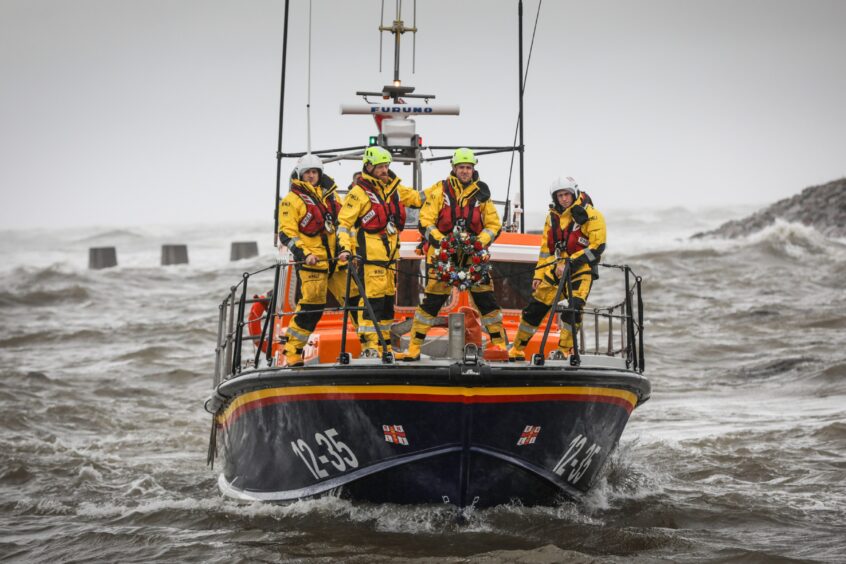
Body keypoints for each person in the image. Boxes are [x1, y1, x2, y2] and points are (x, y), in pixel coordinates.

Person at [398, 147, 506, 361]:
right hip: (442, 257)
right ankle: (413, 348)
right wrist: (443, 241)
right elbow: (426, 221)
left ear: (473, 168)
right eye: (461, 167)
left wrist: (478, 243)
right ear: (454, 168)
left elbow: (494, 225)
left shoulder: (482, 195)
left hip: (473, 258)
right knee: (431, 303)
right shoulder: (440, 191)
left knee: (487, 302)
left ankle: (500, 344)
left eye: (468, 167)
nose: (465, 171)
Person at [336, 146, 423, 357]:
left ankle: (384, 345)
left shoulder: (394, 188)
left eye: (386, 166)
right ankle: (370, 347)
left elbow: (418, 199)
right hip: (370, 259)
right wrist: (345, 249)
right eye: (380, 166)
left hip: (390, 259)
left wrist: (443, 189)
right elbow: (344, 224)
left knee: (385, 305)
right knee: (371, 302)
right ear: (368, 167)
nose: (384, 170)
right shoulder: (358, 194)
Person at [508, 176, 606, 361]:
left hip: (581, 271)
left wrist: (570, 263)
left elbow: (598, 246)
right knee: (534, 308)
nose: (563, 198)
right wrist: (538, 274)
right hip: (557, 269)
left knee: (574, 308)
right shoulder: (552, 218)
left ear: (574, 193)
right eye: (560, 195)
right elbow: (546, 250)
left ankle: (564, 350)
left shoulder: (592, 215)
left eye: (566, 194)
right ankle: (517, 348)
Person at [277, 154, 359, 366]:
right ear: (300, 175)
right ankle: (293, 351)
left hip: (337, 261)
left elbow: (343, 228)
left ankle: (372, 345)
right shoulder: (291, 201)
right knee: (312, 306)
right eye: (307, 172)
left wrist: (346, 250)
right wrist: (305, 255)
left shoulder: (332, 197)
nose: (311, 176)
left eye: (314, 172)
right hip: (313, 263)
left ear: (320, 174)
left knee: (356, 301)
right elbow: (287, 234)